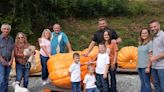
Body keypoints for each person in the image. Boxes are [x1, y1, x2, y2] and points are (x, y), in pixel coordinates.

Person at [149, 20, 164, 92]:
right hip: (154, 66)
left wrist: (155, 57)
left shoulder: (163, 36)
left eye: (154, 26)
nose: (153, 28)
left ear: (159, 26)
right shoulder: (154, 37)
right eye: (151, 27)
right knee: (156, 86)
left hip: (162, 67)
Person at [0, 23, 14, 92]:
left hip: (9, 61)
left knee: (6, 78)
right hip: (0, 62)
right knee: (2, 78)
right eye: (4, 29)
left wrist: (11, 60)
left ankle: (5, 90)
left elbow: (12, 50)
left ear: (10, 30)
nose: (6, 30)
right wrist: (2, 60)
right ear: (1, 29)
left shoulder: (11, 39)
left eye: (8, 29)